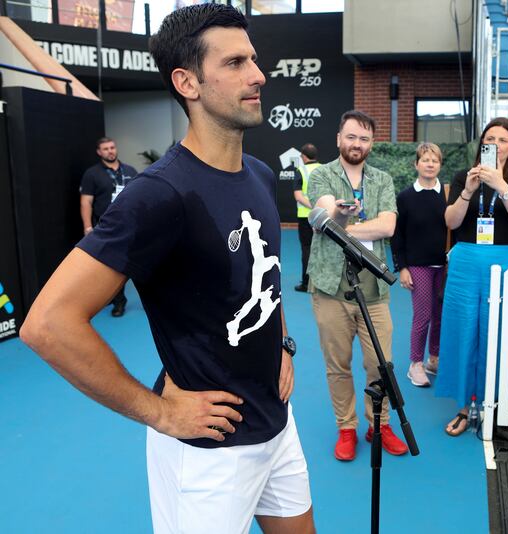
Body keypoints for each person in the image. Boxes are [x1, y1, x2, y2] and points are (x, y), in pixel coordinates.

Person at [20, 5, 316, 533]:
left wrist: (284, 344)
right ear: (188, 82)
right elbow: (46, 324)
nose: (258, 75)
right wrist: (160, 413)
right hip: (206, 455)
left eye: (254, 59)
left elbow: (264, 274)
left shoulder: (259, 173)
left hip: (277, 424)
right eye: (234, 63)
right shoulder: (158, 195)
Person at [307, 110, 408, 461]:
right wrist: (337, 215)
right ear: (339, 139)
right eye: (351, 137)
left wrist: (343, 230)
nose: (356, 144)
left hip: (374, 290)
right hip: (330, 289)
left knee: (380, 363)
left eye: (364, 138)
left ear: (371, 143)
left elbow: (389, 225)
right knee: (338, 364)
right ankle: (346, 428)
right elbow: (321, 215)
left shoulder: (382, 179)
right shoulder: (321, 175)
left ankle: (378, 424)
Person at [436, 117, 508, 436]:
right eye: (489, 138)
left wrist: (499, 185)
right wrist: (467, 190)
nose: (495, 144)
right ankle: (465, 407)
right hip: (465, 263)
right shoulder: (464, 175)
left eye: (502, 139)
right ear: (482, 144)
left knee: (500, 334)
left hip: (505, 263)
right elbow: (451, 222)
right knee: (462, 331)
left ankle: (493, 405)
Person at [391, 142, 448, 387]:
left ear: (440, 165)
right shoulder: (404, 197)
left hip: (444, 266)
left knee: (440, 316)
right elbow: (397, 234)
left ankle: (433, 358)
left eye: (434, 160)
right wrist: (402, 267)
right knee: (423, 314)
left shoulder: (448, 195)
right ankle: (416, 363)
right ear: (416, 164)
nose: (430, 164)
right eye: (425, 160)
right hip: (417, 266)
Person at [79, 137, 138, 317]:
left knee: (143, 263)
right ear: (99, 152)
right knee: (114, 267)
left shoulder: (130, 171)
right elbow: (86, 202)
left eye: (112, 147)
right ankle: (119, 303)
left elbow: (141, 198)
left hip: (133, 226)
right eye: (105, 149)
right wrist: (88, 227)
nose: (110, 151)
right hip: (108, 229)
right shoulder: (92, 174)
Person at [293, 143, 321, 292]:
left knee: (307, 248)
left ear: (303, 156)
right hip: (323, 216)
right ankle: (322, 283)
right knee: (323, 248)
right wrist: (319, 206)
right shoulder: (324, 169)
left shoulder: (300, 170)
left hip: (305, 217)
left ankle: (306, 283)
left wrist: (311, 205)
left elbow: (298, 196)